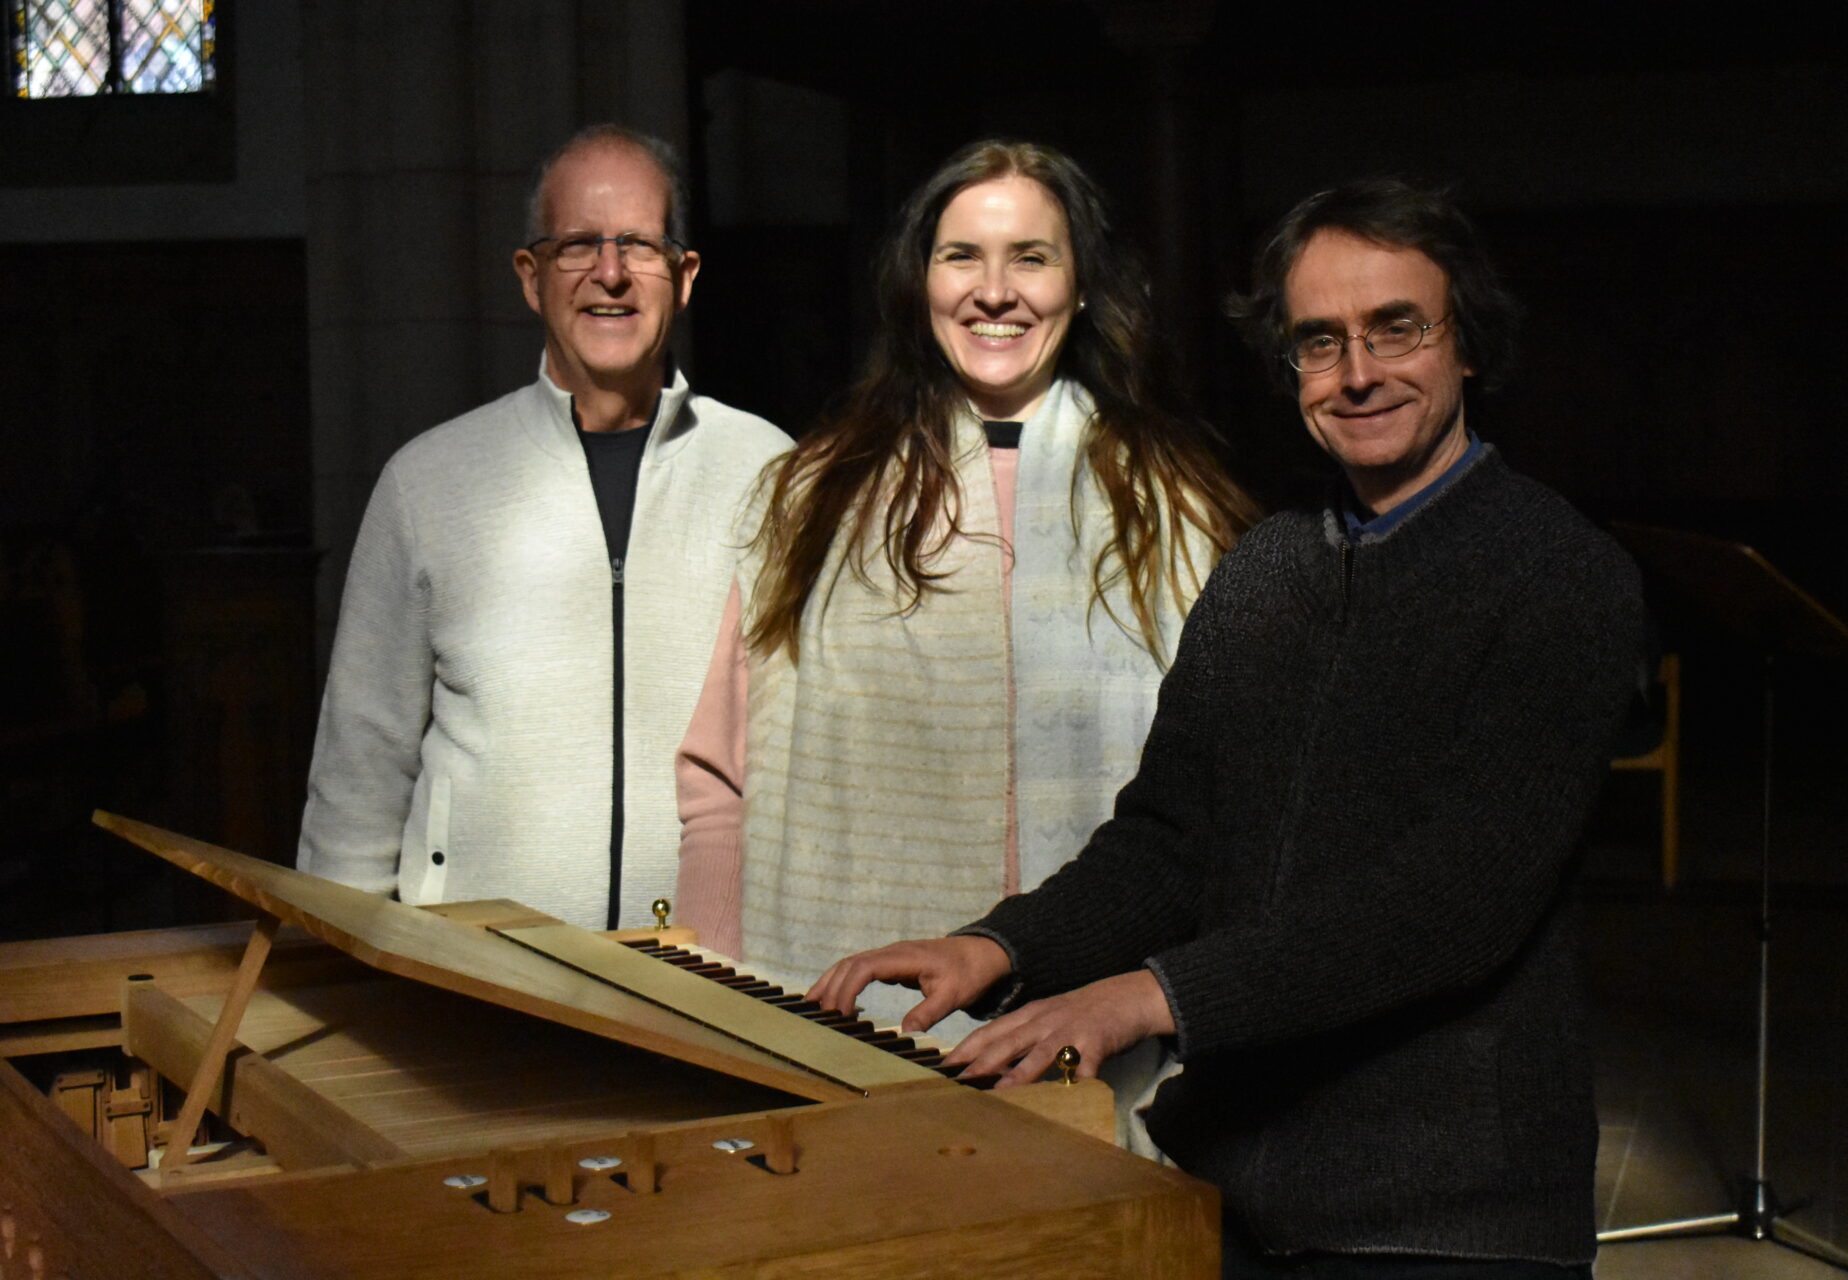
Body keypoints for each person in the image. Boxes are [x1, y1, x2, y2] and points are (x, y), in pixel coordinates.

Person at [811, 178, 1644, 1278]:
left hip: (1447, 1211)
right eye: (1318, 341)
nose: (1358, 372)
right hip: (1239, 1187)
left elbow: (1454, 901)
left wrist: (1147, 995)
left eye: (1397, 327)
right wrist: (1002, 944)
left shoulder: (1561, 576)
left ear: (1467, 344)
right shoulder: (1267, 567)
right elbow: (1169, 839)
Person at [675, 140, 1257, 1041]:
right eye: (962, 257)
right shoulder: (811, 497)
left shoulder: (1174, 507)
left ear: (1083, 284)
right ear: (920, 283)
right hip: (845, 1009)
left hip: (1094, 1019)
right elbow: (720, 781)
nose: (995, 291)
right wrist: (716, 999)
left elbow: (1234, 793)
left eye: (1032, 256)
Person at [299, 124, 791, 930]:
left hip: (711, 978)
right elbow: (360, 772)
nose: (609, 273)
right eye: (578, 246)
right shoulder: (426, 482)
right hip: (476, 983)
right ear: (531, 278)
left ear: (684, 274)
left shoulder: (771, 475)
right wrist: (336, 969)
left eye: (638, 244)